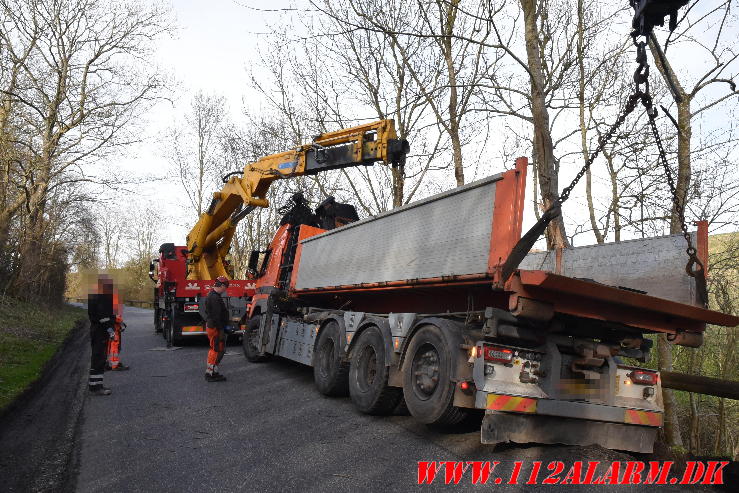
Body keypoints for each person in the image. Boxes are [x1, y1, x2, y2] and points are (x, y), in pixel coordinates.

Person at [88, 275, 116, 395]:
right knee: (99, 359)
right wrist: (110, 330)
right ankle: (96, 387)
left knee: (97, 358)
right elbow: (103, 315)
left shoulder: (94, 295)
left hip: (96, 329)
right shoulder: (103, 297)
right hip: (100, 331)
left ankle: (95, 385)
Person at [204, 275, 230, 382]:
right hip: (215, 327)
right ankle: (210, 373)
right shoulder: (214, 297)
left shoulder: (213, 295)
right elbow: (216, 316)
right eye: (226, 287)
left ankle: (213, 371)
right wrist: (221, 329)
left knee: (219, 349)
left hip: (214, 326)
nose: (225, 290)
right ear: (222, 286)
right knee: (215, 349)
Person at [106, 287, 129, 371]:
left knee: (109, 344)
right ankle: (114, 364)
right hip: (113, 326)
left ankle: (107, 363)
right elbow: (116, 316)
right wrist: (121, 323)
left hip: (109, 325)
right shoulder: (114, 300)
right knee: (114, 344)